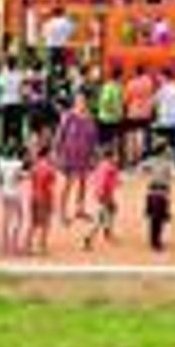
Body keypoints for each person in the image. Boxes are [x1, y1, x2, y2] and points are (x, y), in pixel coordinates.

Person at [54, 93, 99, 225]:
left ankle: (80, 209)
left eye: (84, 101)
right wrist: (56, 152)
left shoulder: (89, 118)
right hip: (69, 155)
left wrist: (93, 154)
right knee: (67, 184)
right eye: (79, 101)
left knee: (82, 182)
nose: (82, 104)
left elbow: (93, 138)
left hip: (84, 155)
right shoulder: (68, 116)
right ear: (75, 102)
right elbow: (60, 134)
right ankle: (61, 213)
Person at [84, 147, 121, 250]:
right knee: (99, 219)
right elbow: (104, 182)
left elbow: (96, 180)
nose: (116, 157)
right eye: (114, 156)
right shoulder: (109, 167)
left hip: (102, 195)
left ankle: (107, 233)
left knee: (112, 211)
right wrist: (105, 196)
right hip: (104, 195)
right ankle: (88, 238)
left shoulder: (101, 166)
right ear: (110, 156)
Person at [143, 141, 175, 252]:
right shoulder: (168, 163)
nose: (168, 150)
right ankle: (157, 241)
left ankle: (153, 240)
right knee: (160, 218)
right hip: (162, 192)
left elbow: (140, 169)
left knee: (153, 218)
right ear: (163, 151)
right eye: (166, 149)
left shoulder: (150, 161)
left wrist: (150, 174)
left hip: (151, 191)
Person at [28, 142, 57, 256]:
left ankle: (29, 245)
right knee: (45, 223)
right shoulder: (49, 168)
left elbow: (33, 181)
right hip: (44, 198)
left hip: (34, 196)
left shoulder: (35, 166)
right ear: (47, 154)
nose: (53, 155)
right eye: (52, 153)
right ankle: (42, 246)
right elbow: (49, 185)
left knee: (34, 223)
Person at [0, 145, 26, 255]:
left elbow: (0, 178)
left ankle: (5, 244)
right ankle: (14, 244)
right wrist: (23, 176)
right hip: (14, 192)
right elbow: (17, 177)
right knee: (19, 217)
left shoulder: (2, 163)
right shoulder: (18, 164)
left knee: (7, 217)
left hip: (5, 191)